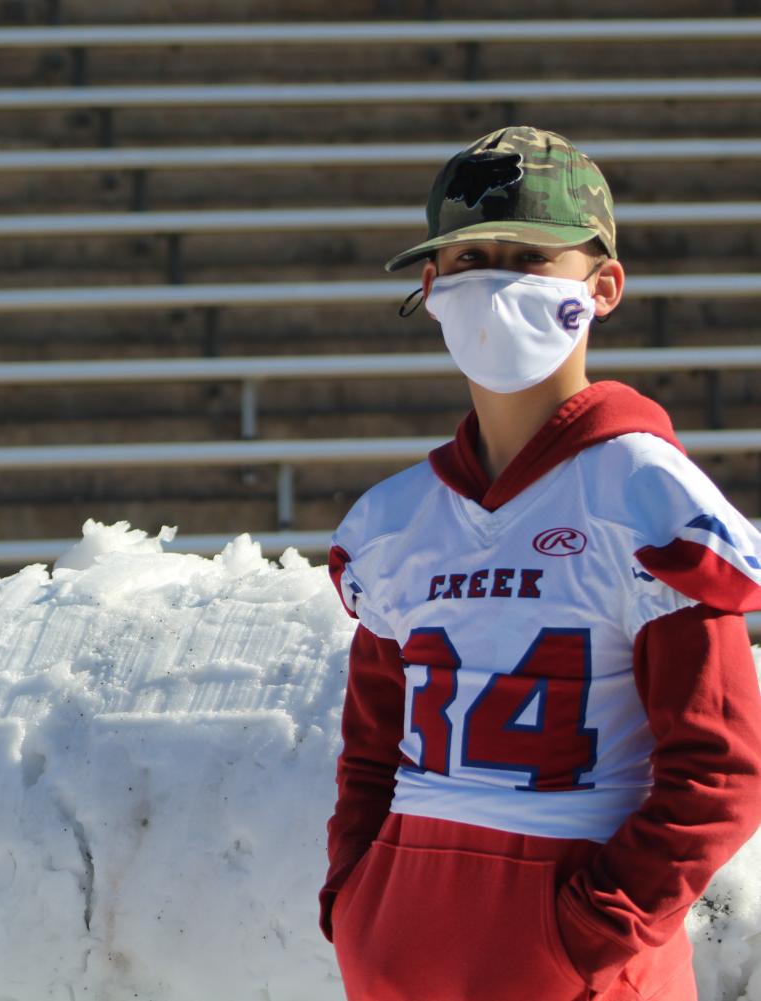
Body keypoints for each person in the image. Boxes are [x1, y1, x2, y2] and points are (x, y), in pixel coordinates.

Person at [319, 126, 761, 1000]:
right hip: (399, 942)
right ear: (430, 286)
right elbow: (370, 753)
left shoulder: (645, 498)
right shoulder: (394, 520)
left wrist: (594, 930)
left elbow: (718, 771)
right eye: (470, 254)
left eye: (525, 253)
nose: (492, 276)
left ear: (601, 288)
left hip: (568, 940)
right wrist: (355, 898)